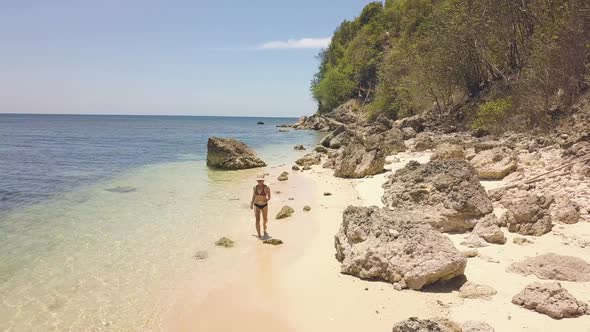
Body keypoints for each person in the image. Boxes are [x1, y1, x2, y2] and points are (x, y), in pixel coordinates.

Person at [250, 174, 271, 239]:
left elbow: (269, 196)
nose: (260, 182)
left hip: (264, 205)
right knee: (257, 220)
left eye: (261, 180)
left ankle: (264, 226)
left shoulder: (266, 187)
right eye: (259, 180)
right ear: (257, 181)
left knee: (265, 219)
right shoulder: (255, 187)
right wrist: (251, 204)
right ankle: (259, 235)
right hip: (256, 205)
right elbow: (254, 196)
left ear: (263, 181)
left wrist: (266, 200)